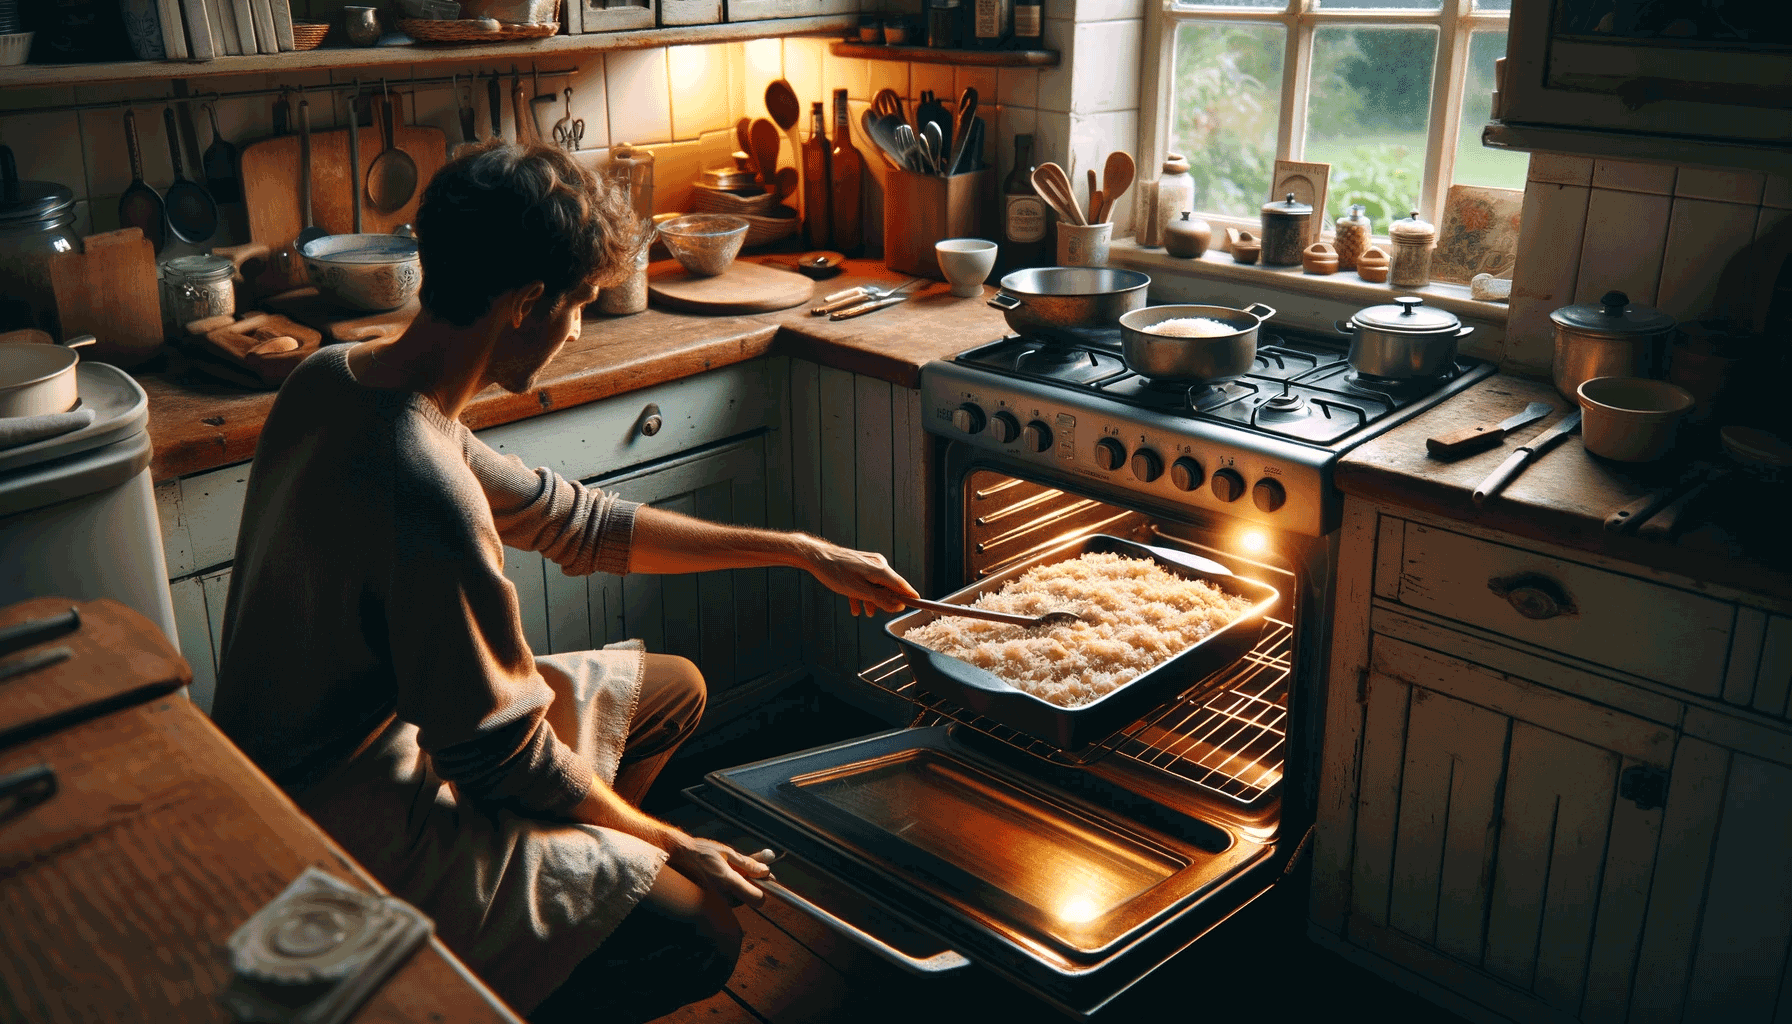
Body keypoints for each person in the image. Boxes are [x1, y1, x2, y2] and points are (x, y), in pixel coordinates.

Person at [210, 142, 919, 1023]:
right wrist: (673, 845)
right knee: (702, 931)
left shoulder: (340, 379)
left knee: (672, 691)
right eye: (577, 304)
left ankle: (577, 900)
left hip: (382, 748)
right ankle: (520, 974)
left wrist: (803, 550)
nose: (577, 328)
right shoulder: (418, 482)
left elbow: (577, 522)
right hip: (342, 817)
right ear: (522, 305)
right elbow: (495, 754)